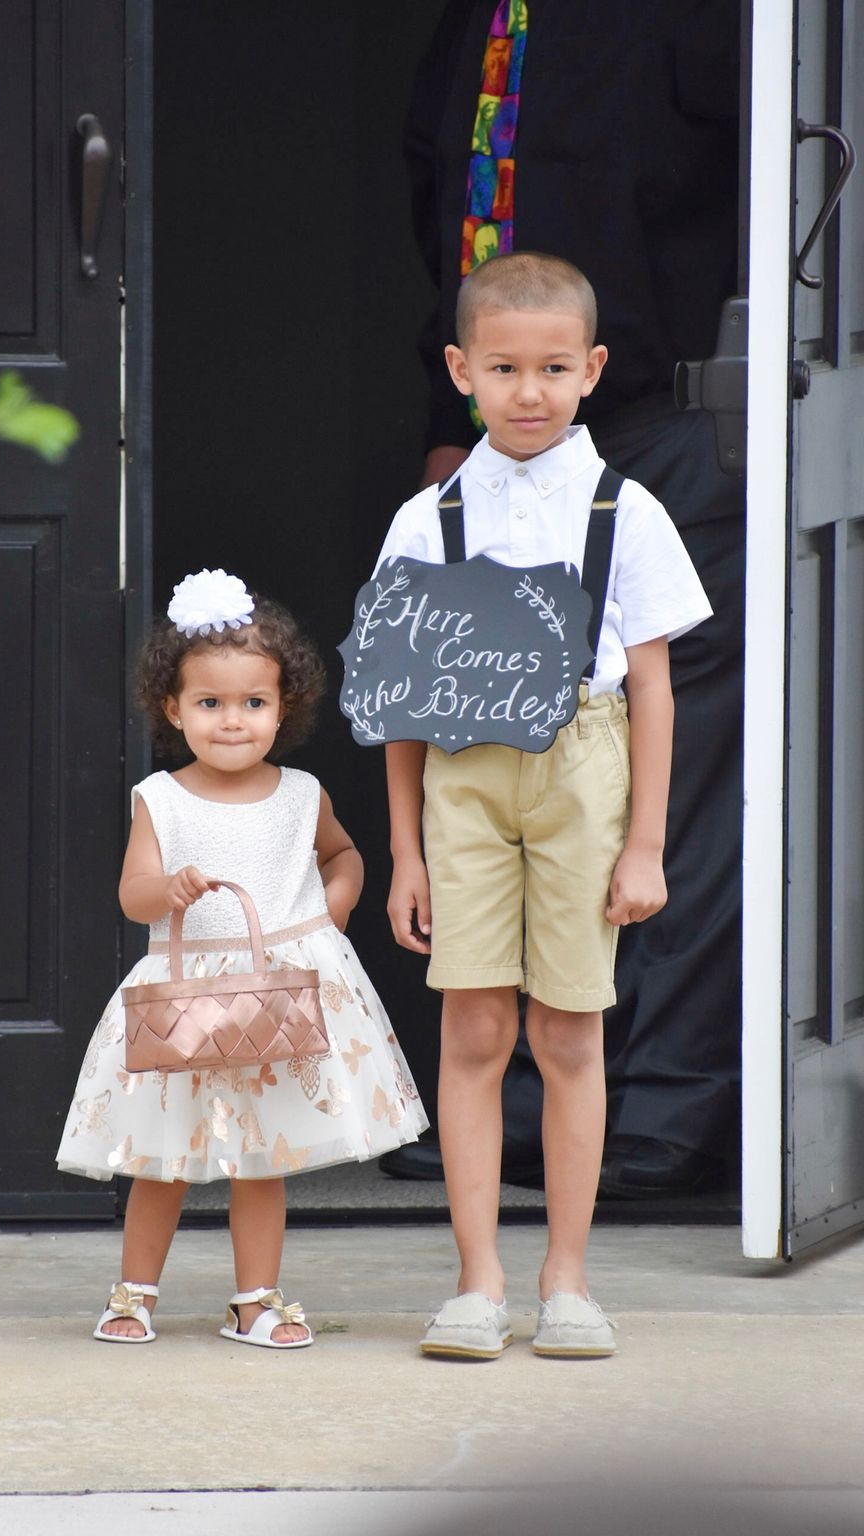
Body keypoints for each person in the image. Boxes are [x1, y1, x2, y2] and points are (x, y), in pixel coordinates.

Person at [381, 0, 744, 1197]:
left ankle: (669, 1106)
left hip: (674, 422)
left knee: (665, 784)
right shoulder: (480, 20)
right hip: (499, 445)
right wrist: (452, 423)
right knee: (502, 760)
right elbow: (454, 212)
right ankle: (520, 1106)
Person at [378, 252, 711, 1357]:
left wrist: (646, 845)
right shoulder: (429, 518)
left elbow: (654, 688)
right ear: (461, 370)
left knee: (568, 1028)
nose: (530, 392)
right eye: (505, 368)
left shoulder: (628, 511)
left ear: (593, 369)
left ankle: (567, 1278)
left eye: (554, 368)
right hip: (463, 775)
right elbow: (402, 701)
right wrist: (406, 854)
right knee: (474, 1023)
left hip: (584, 763)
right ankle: (477, 1280)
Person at [56, 569, 427, 1346]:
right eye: (210, 704)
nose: (233, 721)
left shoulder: (302, 794)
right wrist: (168, 888)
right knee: (162, 1159)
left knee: (263, 1158)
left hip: (277, 992)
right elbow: (132, 896)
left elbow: (344, 855)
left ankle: (255, 1300)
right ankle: (134, 1293)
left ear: (283, 706)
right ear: (173, 708)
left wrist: (334, 905)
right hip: (188, 995)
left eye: (254, 703)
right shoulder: (161, 798)